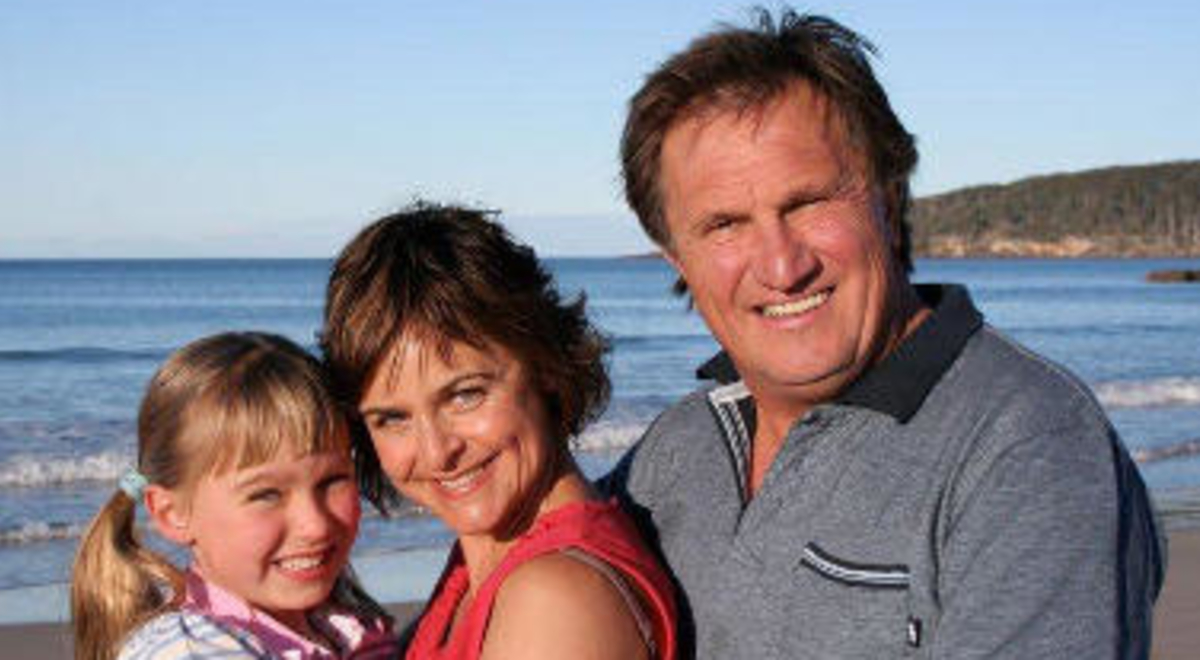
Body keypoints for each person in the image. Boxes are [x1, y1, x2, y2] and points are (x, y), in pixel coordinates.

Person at [604, 8, 1165, 659]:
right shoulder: (673, 451)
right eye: (726, 224)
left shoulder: (1028, 444)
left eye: (808, 202)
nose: (783, 267)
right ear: (678, 260)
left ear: (889, 201)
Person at [320, 203, 677, 660]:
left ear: (546, 364)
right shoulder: (481, 560)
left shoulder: (555, 600)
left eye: (465, 395)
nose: (435, 453)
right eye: (393, 418)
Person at [71, 332, 397, 660]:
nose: (315, 525)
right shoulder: (190, 650)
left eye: (332, 481)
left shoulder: (339, 628)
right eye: (266, 495)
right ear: (173, 514)